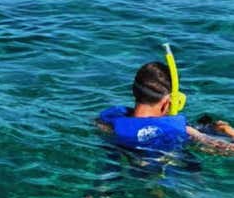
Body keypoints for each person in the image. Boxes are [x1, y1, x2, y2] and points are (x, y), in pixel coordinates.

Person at [96, 44, 234, 156]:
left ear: (134, 91)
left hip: (130, 162)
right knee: (214, 126)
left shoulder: (108, 122)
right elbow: (223, 148)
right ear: (166, 103)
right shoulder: (182, 129)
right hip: (170, 171)